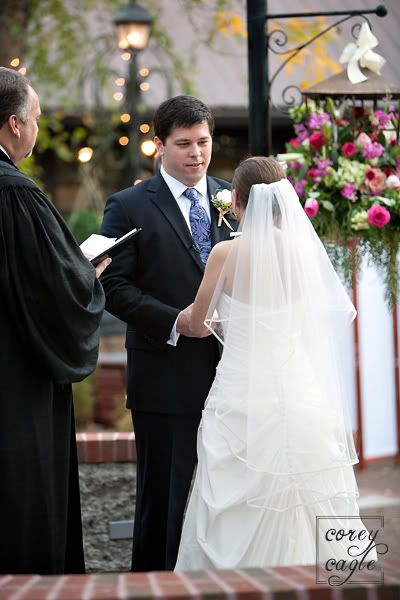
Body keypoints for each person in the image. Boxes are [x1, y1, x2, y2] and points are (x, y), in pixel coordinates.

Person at [175, 156, 377, 570]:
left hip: (240, 389)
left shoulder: (225, 253)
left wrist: (180, 318)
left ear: (238, 203)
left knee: (235, 487)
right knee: (307, 486)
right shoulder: (303, 252)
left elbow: (197, 322)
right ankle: (313, 575)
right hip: (297, 385)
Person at [100, 95, 236, 571]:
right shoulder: (129, 205)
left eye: (203, 142)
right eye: (183, 144)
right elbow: (114, 287)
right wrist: (175, 321)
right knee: (165, 504)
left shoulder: (232, 200)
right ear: (159, 145)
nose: (196, 154)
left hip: (233, 380)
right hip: (165, 379)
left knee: (226, 500)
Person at [0, 67, 110, 574]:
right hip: (16, 378)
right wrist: (86, 277)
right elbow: (53, 289)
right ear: (14, 125)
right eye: (37, 119)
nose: (39, 129)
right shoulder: (15, 193)